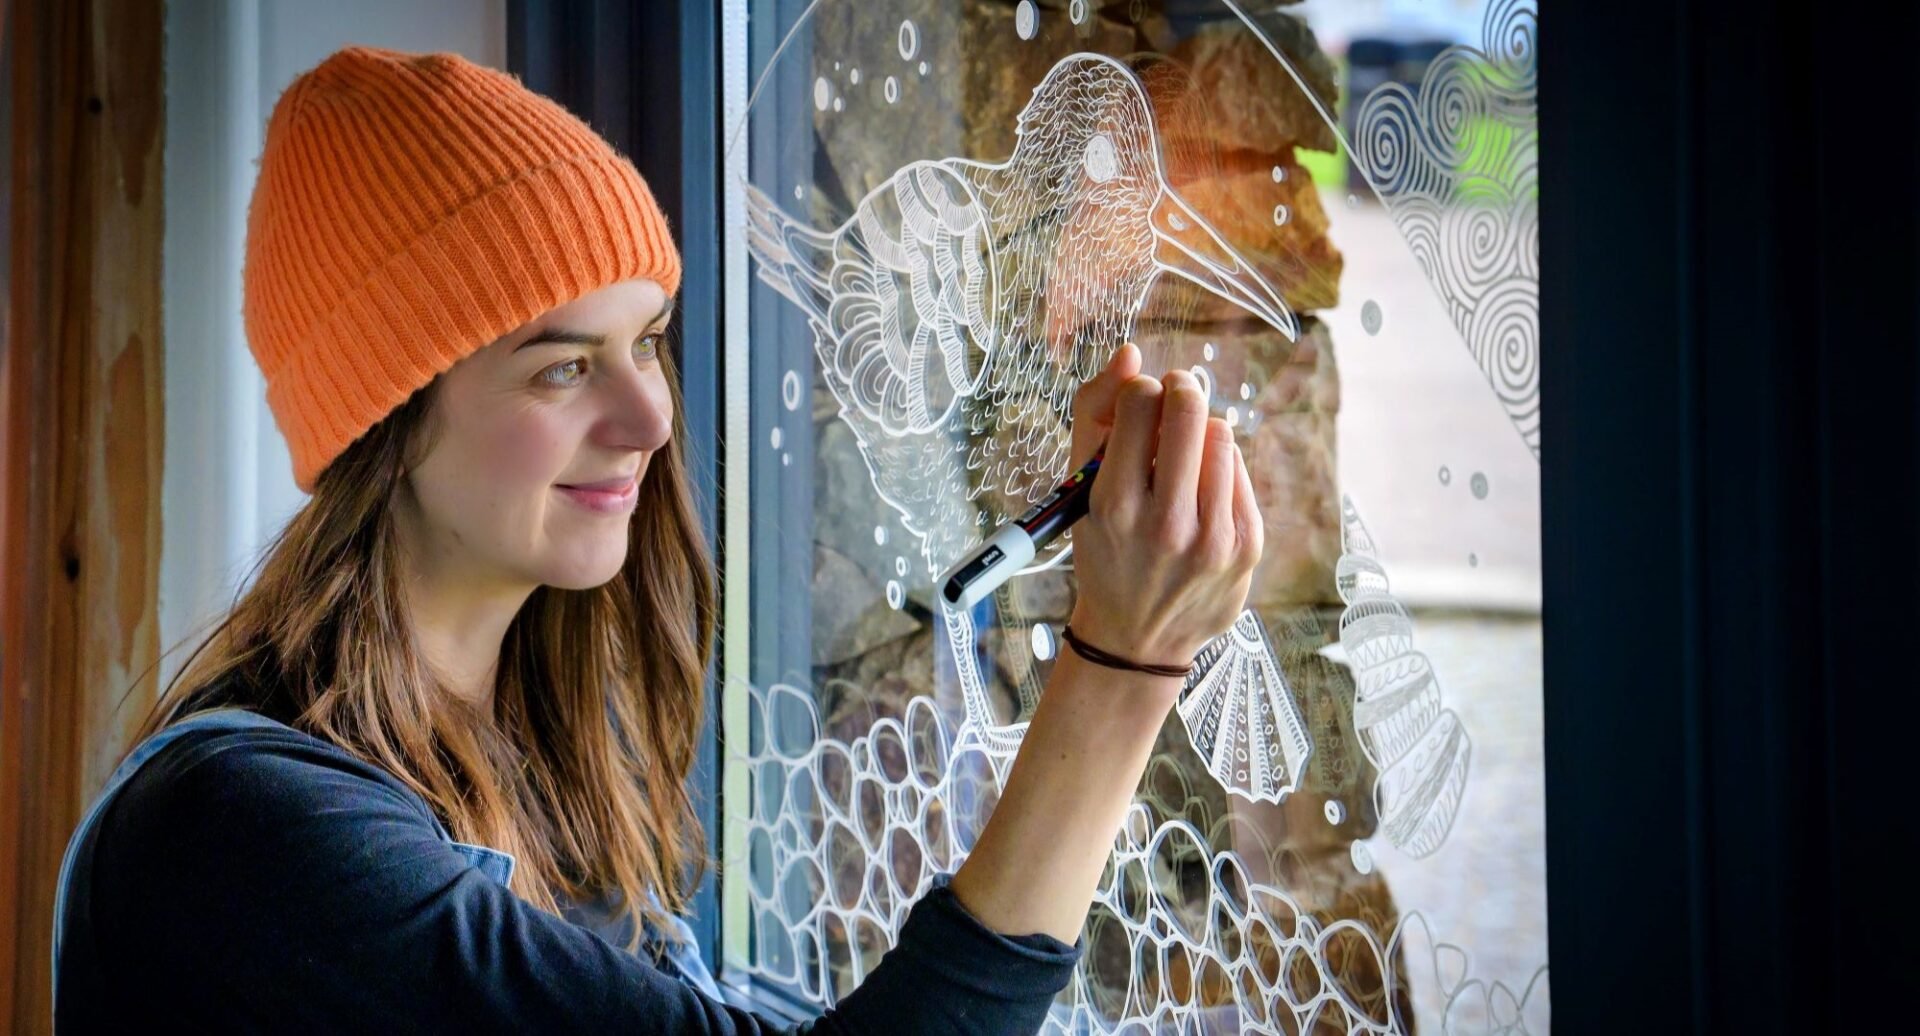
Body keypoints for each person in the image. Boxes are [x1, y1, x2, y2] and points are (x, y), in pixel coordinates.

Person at [51, 46, 1261, 1033]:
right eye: (563, 367)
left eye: (650, 341)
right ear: (384, 420)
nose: (647, 417)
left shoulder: (529, 770)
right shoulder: (247, 838)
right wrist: (1121, 671)